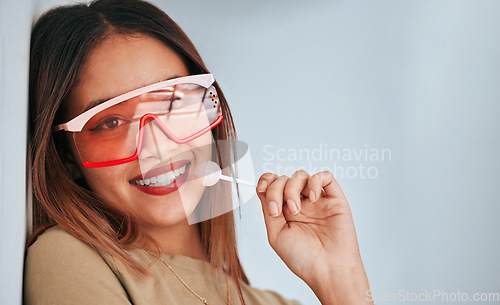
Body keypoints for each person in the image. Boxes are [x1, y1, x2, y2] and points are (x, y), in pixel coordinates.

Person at [24, 0, 373, 304]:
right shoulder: (69, 257)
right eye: (111, 123)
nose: (158, 147)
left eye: (174, 104)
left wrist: (340, 279)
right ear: (66, 154)